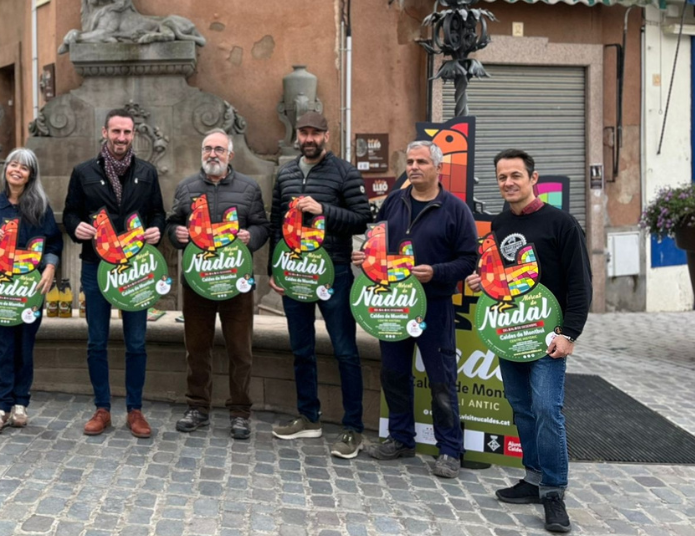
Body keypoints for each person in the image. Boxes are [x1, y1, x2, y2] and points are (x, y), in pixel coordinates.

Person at [466, 148, 591, 533]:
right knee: (521, 407)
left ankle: (554, 492)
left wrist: (569, 333)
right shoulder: (499, 226)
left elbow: (580, 284)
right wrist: (481, 282)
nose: (508, 183)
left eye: (516, 176)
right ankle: (533, 479)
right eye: (502, 177)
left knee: (546, 409)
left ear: (533, 178)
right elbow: (504, 281)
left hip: (548, 335)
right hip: (511, 332)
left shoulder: (561, 223)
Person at [355, 140, 477, 478]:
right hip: (393, 303)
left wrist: (436, 272)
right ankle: (401, 439)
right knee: (393, 373)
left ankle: (450, 450)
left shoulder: (455, 209)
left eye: (422, 161)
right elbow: (376, 242)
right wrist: (367, 259)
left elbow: (469, 259)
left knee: (441, 380)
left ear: (438, 168)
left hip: (434, 305)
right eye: (409, 161)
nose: (414, 167)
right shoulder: (394, 201)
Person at [269, 112, 372, 457]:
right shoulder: (284, 173)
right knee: (301, 349)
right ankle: (308, 417)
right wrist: (274, 267)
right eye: (304, 132)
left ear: (326, 136)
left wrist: (322, 209)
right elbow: (274, 224)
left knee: (345, 350)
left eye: (315, 133)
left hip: (334, 273)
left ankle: (353, 428)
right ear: (297, 135)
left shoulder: (345, 172)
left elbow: (361, 220)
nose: (309, 138)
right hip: (295, 273)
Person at [64, 108, 166, 439]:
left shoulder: (147, 173)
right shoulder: (83, 172)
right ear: (105, 133)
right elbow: (70, 213)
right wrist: (74, 227)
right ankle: (102, 408)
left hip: (136, 268)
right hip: (97, 266)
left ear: (133, 135)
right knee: (97, 340)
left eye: (127, 132)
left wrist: (156, 231)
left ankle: (135, 410)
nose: (121, 138)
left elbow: (158, 214)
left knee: (136, 341)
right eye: (116, 131)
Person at [166, 129, 270, 440]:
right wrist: (176, 234)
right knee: (197, 349)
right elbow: (172, 223)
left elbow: (262, 226)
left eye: (219, 150)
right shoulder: (186, 188)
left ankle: (240, 412)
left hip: (236, 282)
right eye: (208, 149)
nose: (213, 154)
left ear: (230, 155)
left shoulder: (249, 188)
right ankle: (197, 406)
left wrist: (251, 237)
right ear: (202, 153)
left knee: (241, 350)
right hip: (197, 282)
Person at [0, 148, 62, 434]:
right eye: (13, 165)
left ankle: (21, 403)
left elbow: (54, 243)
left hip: (29, 290)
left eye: (24, 167)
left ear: (31, 174)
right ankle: (0, 406)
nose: (17, 170)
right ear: (6, 169)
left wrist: (50, 267)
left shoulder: (40, 208)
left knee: (23, 346)